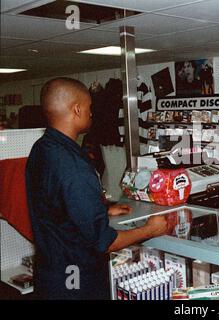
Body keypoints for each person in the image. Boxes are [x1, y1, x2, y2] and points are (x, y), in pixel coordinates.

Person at [26, 77, 169, 300]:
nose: (92, 113)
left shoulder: (42, 148)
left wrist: (99, 209)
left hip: (50, 272)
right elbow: (106, 242)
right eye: (90, 107)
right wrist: (151, 229)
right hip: (74, 280)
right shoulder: (73, 165)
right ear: (77, 109)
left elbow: (55, 205)